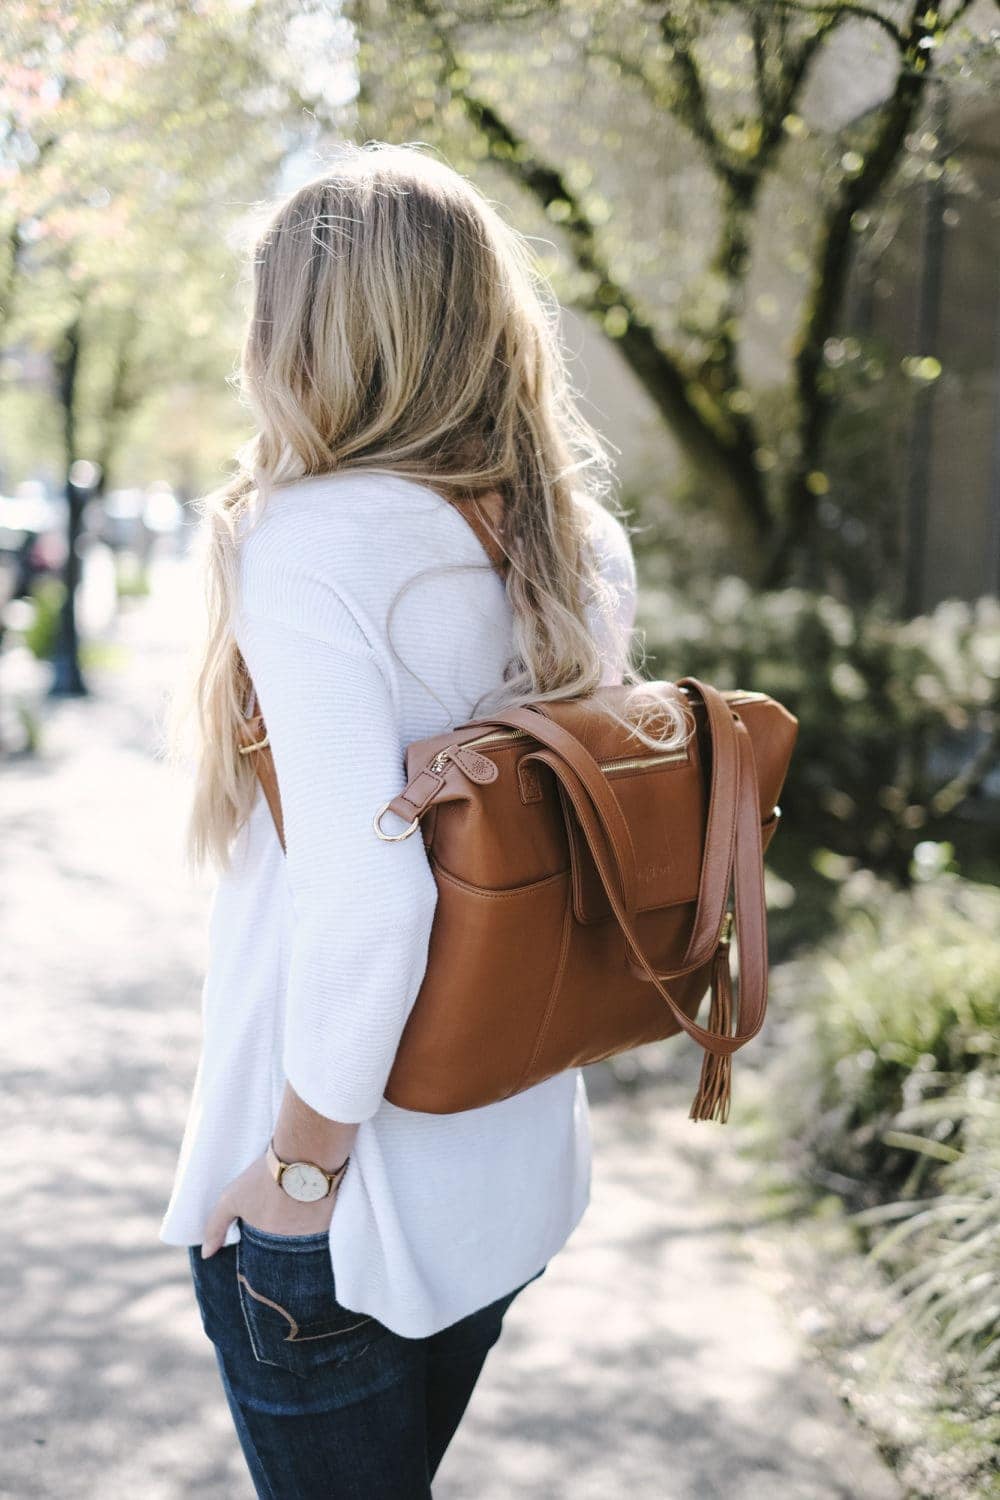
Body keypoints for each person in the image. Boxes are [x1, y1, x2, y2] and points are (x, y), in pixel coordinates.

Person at [160, 140, 638, 1498]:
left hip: (340, 1207)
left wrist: (292, 1182)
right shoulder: (575, 538)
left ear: (305, 334)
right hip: (508, 1167)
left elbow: (375, 907)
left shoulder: (312, 540)